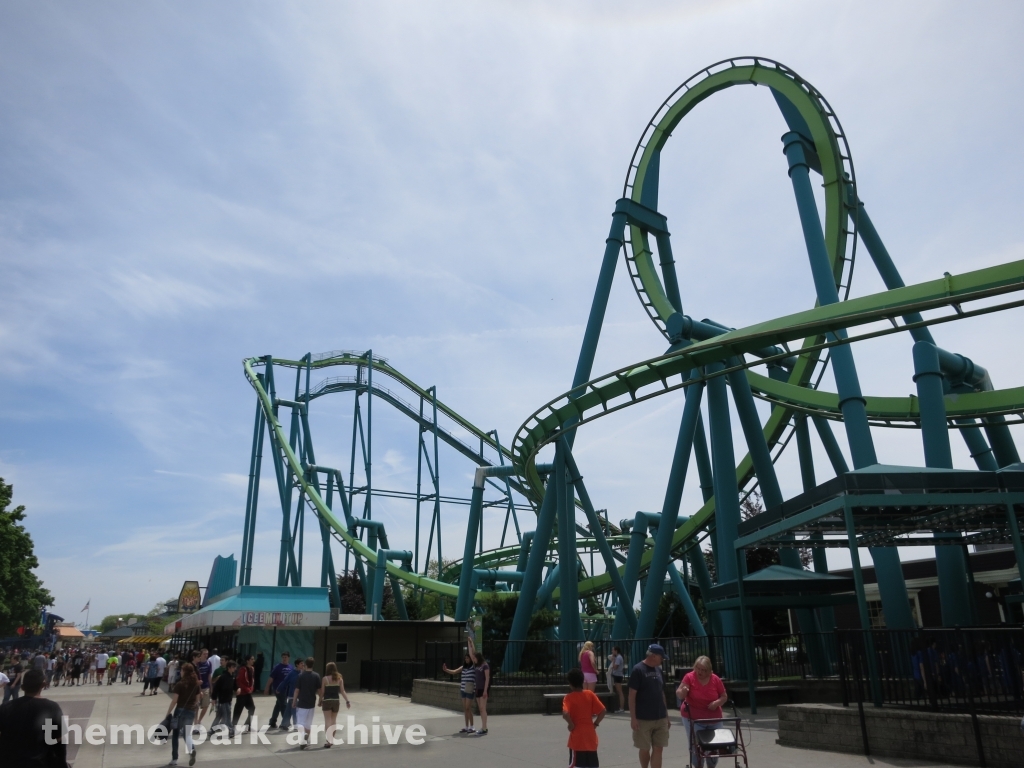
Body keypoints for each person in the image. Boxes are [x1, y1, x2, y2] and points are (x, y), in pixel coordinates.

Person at [0, 669, 68, 767]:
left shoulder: (6, 707)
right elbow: (58, 739)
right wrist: (62, 763)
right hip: (39, 762)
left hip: (9, 762)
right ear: (43, 685)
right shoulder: (51, 707)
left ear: (23, 687)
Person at [676, 655, 728, 768]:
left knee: (714, 745)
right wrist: (684, 691)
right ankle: (697, 765)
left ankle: (711, 765)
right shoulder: (689, 677)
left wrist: (716, 703)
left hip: (714, 718)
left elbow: (724, 696)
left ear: (709, 670)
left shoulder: (715, 679)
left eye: (703, 670)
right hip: (694, 718)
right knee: (695, 745)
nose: (700, 672)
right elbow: (679, 693)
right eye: (698, 668)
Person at [629, 644, 670, 768]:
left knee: (659, 748)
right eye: (661, 657)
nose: (662, 659)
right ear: (653, 656)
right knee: (644, 748)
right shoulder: (638, 670)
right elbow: (632, 695)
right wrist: (633, 718)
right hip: (643, 718)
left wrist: (667, 715)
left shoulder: (658, 670)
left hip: (660, 716)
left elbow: (661, 692)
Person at [563, 667, 606, 768]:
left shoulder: (568, 698)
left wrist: (571, 724)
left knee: (576, 765)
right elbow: (603, 711)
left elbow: (565, 713)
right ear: (582, 681)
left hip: (577, 739)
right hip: (590, 736)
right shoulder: (590, 694)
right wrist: (595, 724)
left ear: (571, 683)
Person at [166, 662, 201, 766]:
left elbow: (174, 701)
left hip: (180, 711)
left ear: (185, 672)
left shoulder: (180, 684)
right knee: (187, 734)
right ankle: (192, 750)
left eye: (181, 670)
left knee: (176, 734)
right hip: (191, 711)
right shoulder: (196, 685)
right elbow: (198, 701)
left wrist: (168, 713)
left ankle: (174, 759)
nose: (180, 672)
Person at [441, 650, 477, 733]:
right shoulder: (463, 667)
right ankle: (466, 726)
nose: (466, 660)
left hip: (470, 689)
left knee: (468, 708)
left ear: (471, 659)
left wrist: (471, 644)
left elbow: (474, 655)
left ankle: (472, 726)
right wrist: (446, 670)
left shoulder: (473, 667)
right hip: (463, 689)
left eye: (468, 658)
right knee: (465, 709)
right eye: (465, 658)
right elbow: (454, 671)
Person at [318, 661, 351, 748]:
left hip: (327, 701)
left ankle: (328, 740)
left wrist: (319, 700)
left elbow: (322, 692)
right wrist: (347, 701)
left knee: (327, 721)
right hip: (336, 701)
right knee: (333, 720)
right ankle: (332, 739)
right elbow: (342, 691)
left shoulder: (325, 679)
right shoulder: (339, 678)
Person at [292, 657, 321, 748]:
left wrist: (294, 701)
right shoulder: (316, 676)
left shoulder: (301, 676)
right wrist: (321, 700)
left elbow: (297, 690)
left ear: (305, 665)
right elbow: (319, 690)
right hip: (311, 703)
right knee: (308, 724)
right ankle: (306, 739)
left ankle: (302, 740)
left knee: (301, 723)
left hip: (302, 703)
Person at [265, 651, 293, 728]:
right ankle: (285, 722)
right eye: (283, 657)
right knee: (284, 705)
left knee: (278, 705)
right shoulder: (277, 667)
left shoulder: (291, 667)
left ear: (288, 658)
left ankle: (272, 721)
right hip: (278, 689)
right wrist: (267, 688)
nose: (284, 659)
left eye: (286, 657)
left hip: (287, 689)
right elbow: (271, 678)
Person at [210, 660, 238, 737]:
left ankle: (213, 729)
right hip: (223, 700)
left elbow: (235, 685)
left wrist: (237, 689)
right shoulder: (223, 677)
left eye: (235, 667)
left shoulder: (232, 676)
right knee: (227, 716)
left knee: (220, 715)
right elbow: (216, 688)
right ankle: (230, 730)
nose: (234, 669)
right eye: (233, 667)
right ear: (229, 668)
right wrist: (213, 698)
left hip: (228, 699)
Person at [276, 658, 304, 731]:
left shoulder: (302, 673)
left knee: (288, 710)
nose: (303, 665)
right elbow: (285, 681)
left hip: (299, 695)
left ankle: (284, 724)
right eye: (301, 663)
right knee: (295, 711)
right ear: (297, 665)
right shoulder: (292, 673)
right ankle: (295, 726)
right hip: (293, 695)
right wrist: (279, 689)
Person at [232, 656, 257, 734]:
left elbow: (252, 680)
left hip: (248, 693)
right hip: (242, 693)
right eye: (252, 659)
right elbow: (240, 681)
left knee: (252, 708)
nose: (253, 661)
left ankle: (247, 725)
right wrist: (246, 689)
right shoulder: (242, 669)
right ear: (247, 661)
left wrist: (251, 688)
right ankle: (233, 726)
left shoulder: (252, 669)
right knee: (238, 710)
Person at [472, 641, 490, 735]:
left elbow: (487, 678)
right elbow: (472, 653)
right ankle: (483, 727)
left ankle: (484, 727)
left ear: (478, 658)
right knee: (480, 708)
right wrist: (471, 643)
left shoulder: (485, 665)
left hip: (483, 689)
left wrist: (485, 690)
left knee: (483, 708)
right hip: (477, 688)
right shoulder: (477, 665)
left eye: (475, 658)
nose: (473, 659)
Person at [193, 649, 212, 733]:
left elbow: (209, 675)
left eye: (207, 654)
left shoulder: (209, 663)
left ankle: (199, 721)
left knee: (206, 705)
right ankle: (195, 723)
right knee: (196, 706)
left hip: (206, 686)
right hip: (197, 687)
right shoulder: (197, 664)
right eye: (204, 654)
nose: (206, 655)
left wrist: (211, 687)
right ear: (200, 654)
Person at [608, 647, 626, 712]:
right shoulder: (618, 657)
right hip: (617, 675)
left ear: (616, 651)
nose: (612, 651)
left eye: (613, 650)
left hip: (617, 675)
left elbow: (615, 667)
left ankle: (621, 708)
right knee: (619, 692)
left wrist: (613, 661)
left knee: (620, 692)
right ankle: (621, 708)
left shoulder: (618, 658)